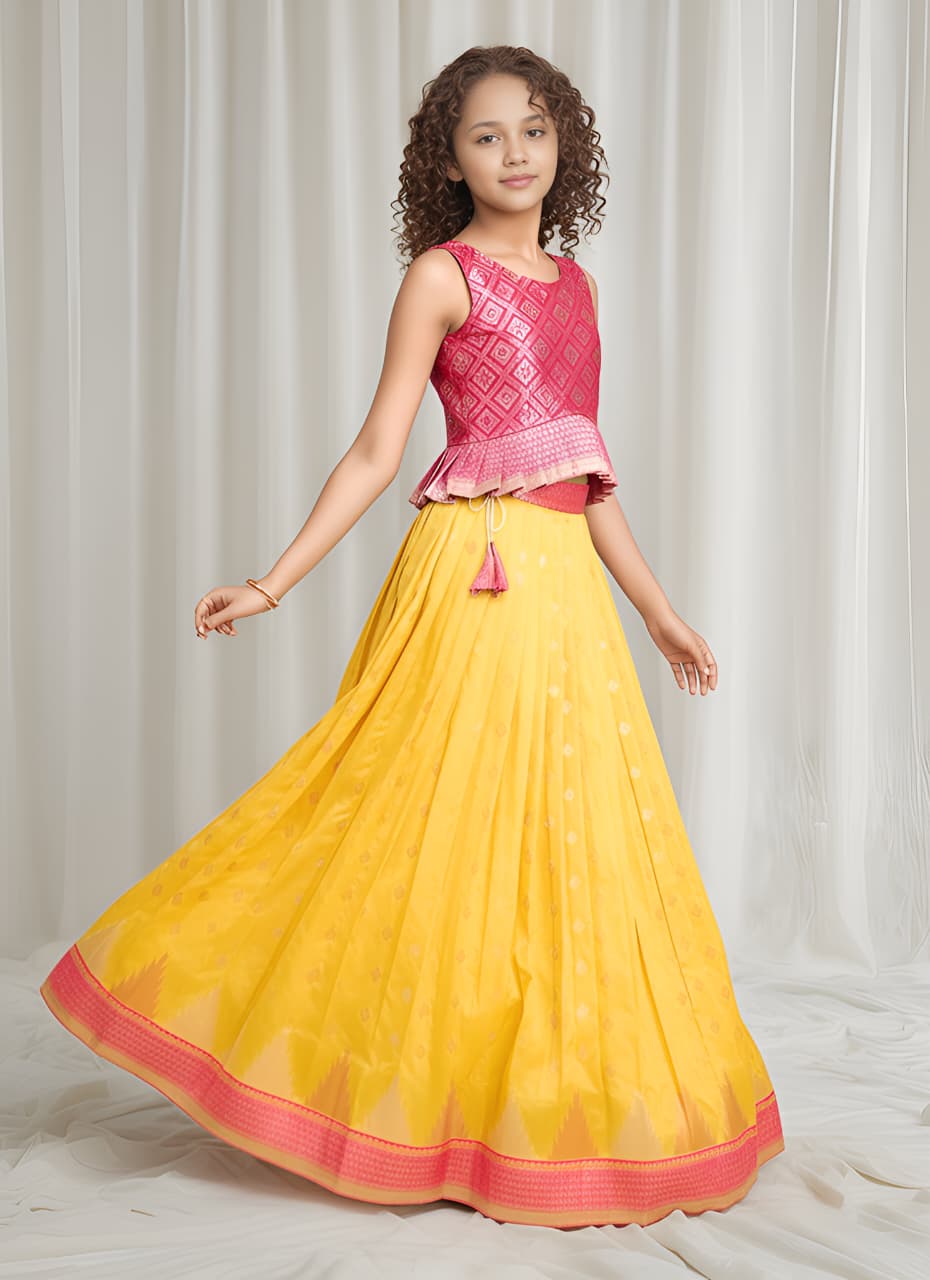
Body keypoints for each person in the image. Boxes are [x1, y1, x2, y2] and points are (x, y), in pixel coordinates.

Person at [40, 44, 785, 1229]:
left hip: (566, 600)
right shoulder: (441, 277)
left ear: (566, 143)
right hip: (473, 577)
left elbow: (589, 476)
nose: (515, 153)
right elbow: (378, 448)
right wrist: (273, 580)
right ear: (448, 160)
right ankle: (386, 1093)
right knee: (424, 815)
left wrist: (659, 611)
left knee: (563, 836)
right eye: (486, 136)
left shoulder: (580, 289)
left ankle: (519, 1104)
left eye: (534, 129)